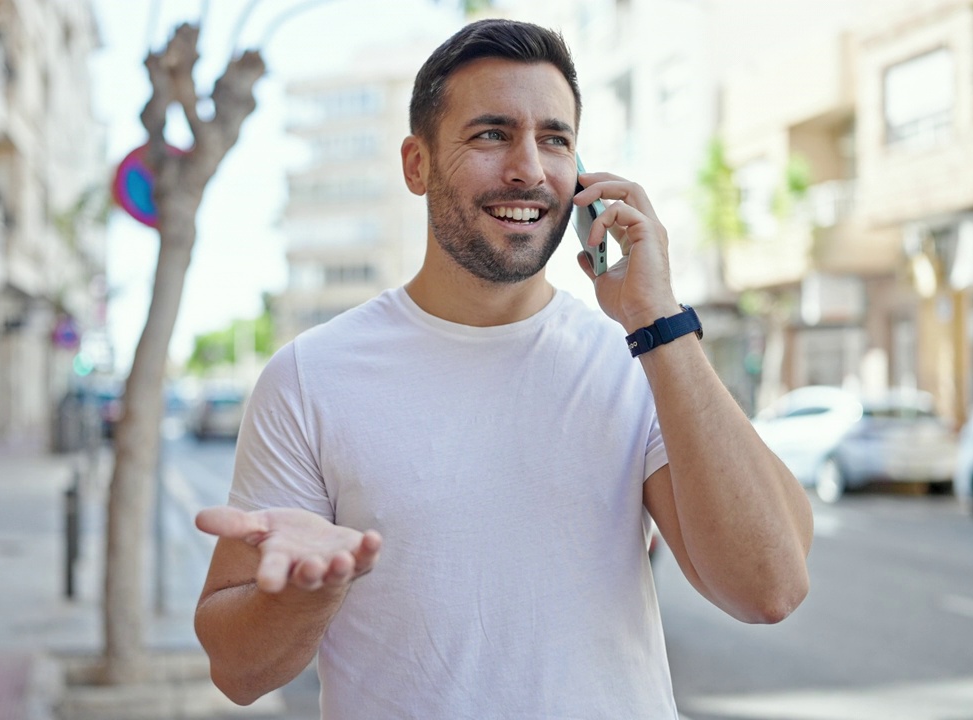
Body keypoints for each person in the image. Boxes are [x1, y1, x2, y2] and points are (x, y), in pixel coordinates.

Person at [193, 18, 812, 718]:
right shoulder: (311, 376)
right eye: (491, 134)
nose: (529, 167)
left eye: (555, 139)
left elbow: (770, 588)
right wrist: (307, 592)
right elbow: (238, 672)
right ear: (416, 163)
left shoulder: (637, 359)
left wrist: (660, 321)